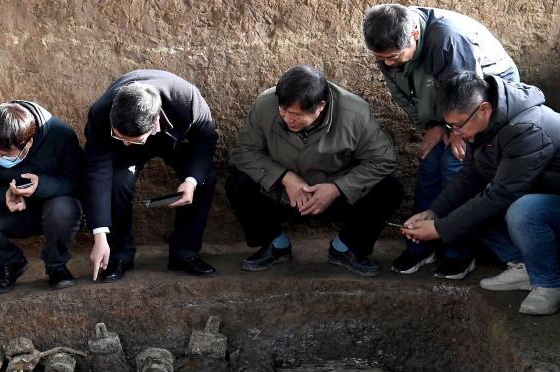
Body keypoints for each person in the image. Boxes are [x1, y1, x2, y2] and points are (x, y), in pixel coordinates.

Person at [362, 4, 519, 279]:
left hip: (480, 108)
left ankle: (459, 251)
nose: (387, 63)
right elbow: (403, 95)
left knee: (452, 164)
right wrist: (432, 126)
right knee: (429, 162)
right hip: (444, 111)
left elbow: (468, 94)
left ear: (414, 34)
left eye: (394, 56)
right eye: (380, 58)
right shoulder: (388, 44)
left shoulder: (448, 39)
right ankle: (422, 244)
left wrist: (453, 129)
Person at [401, 72, 560, 315]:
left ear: (484, 109)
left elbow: (501, 194)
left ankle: (549, 283)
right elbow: (469, 176)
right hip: (538, 192)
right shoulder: (486, 124)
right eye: (450, 125)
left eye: (458, 125)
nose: (457, 132)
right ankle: (524, 266)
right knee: (468, 203)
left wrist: (440, 230)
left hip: (548, 200)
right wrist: (434, 212)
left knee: (523, 211)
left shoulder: (527, 128)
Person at [227, 66, 401, 277]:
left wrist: (338, 188)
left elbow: (383, 160)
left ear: (320, 106)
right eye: (282, 109)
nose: (285, 118)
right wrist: (285, 178)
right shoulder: (266, 104)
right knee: (238, 182)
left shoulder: (355, 112)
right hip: (282, 194)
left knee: (390, 189)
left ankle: (346, 248)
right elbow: (243, 152)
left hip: (337, 197)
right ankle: (275, 244)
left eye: (295, 114)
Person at [82, 70, 218, 282]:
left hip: (175, 140)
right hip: (126, 154)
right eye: (120, 135)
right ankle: (120, 254)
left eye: (132, 139)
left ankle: (185, 253)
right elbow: (96, 170)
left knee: (204, 179)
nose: (126, 141)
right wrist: (99, 235)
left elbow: (206, 139)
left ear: (155, 119)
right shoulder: (101, 111)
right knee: (117, 183)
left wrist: (191, 181)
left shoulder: (187, 100)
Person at [0, 101, 83, 294]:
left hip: (53, 212)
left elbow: (78, 182)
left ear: (28, 143)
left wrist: (42, 185)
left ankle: (56, 265)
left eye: (6, 154)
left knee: (63, 208)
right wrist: (3, 195)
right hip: (12, 214)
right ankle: (11, 264)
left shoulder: (60, 134)